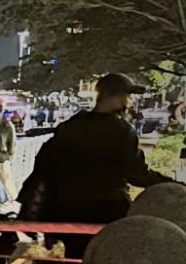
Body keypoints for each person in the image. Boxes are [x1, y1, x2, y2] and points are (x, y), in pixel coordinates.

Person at [19, 72, 168, 225]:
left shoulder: (70, 127)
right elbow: (137, 174)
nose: (128, 103)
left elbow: (44, 167)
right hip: (106, 211)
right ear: (116, 97)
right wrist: (169, 183)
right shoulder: (121, 131)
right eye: (127, 97)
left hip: (63, 210)